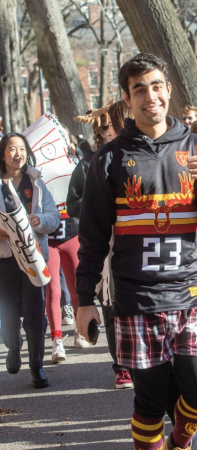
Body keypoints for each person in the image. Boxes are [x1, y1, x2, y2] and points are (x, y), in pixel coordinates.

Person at [75, 53, 197, 450]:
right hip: (136, 300)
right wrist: (84, 300)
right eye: (139, 89)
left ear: (169, 89)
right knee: (149, 400)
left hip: (188, 295)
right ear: (127, 99)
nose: (151, 96)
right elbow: (92, 236)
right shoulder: (109, 158)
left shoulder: (196, 146)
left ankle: (179, 447)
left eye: (157, 85)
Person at [67, 99, 133, 389]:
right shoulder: (90, 163)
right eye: (106, 127)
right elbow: (73, 205)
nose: (110, 131)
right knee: (112, 305)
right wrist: (101, 200)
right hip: (107, 244)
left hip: (138, 245)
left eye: (113, 125)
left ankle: (144, 361)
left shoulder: (150, 154)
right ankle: (121, 366)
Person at [0, 133, 60, 388]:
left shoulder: (36, 183)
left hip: (34, 258)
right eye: (11, 149)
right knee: (9, 315)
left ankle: (37, 366)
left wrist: (40, 221)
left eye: (22, 149)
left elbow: (54, 218)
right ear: (3, 154)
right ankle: (13, 346)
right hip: (4, 259)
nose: (17, 154)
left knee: (36, 315)